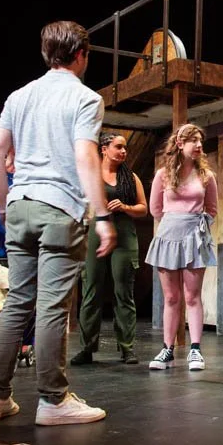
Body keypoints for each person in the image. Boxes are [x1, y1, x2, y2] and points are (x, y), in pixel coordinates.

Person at [0, 20, 117, 427]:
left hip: (20, 204)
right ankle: (53, 400)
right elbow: (85, 158)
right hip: (59, 209)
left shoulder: (19, 96)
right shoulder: (86, 98)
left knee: (17, 301)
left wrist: (5, 208)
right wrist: (103, 215)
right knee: (53, 305)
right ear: (81, 55)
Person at [145, 123, 217, 371]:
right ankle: (167, 349)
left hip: (194, 237)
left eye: (200, 141)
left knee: (192, 296)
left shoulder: (206, 176)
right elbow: (155, 209)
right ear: (180, 144)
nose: (198, 145)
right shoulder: (162, 175)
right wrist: (173, 223)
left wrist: (198, 228)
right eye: (193, 141)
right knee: (172, 297)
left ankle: (195, 350)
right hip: (168, 235)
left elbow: (212, 209)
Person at [72, 132, 147, 366]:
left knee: (123, 292)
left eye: (125, 148)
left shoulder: (130, 177)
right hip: (96, 231)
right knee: (91, 289)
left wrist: (125, 206)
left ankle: (127, 347)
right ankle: (86, 348)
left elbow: (143, 208)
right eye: (118, 147)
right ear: (104, 149)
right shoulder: (90, 174)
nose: (123, 151)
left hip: (124, 233)